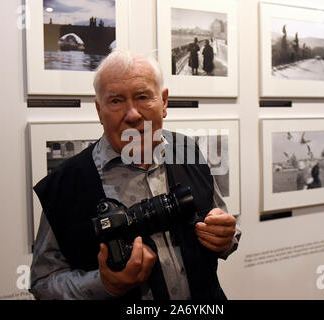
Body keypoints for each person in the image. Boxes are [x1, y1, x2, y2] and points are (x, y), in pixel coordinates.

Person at [29, 49, 241, 300]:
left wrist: (227, 238)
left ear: (163, 102)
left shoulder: (188, 151)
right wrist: (104, 284)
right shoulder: (66, 184)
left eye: (142, 97)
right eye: (116, 101)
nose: (132, 115)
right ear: (99, 110)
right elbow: (43, 283)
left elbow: (225, 225)